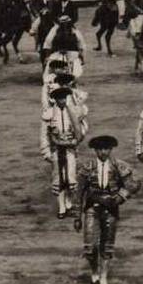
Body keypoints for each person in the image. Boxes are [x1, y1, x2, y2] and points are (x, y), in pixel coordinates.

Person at [75, 135, 140, 284]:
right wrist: (77, 216)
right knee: (90, 246)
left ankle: (103, 277)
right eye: (100, 149)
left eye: (106, 149)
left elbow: (133, 184)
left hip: (110, 209)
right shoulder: (87, 167)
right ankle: (94, 274)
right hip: (92, 208)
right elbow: (78, 192)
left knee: (107, 245)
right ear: (95, 150)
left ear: (110, 150)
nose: (103, 152)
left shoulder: (118, 166)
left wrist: (119, 197)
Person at [40, 86, 85, 219]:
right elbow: (44, 135)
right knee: (58, 178)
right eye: (60, 98)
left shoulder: (73, 112)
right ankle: (61, 207)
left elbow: (80, 131)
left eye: (64, 98)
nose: (62, 101)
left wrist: (76, 142)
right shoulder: (49, 114)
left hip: (70, 149)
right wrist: (45, 151)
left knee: (70, 177)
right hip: (56, 150)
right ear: (55, 99)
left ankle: (69, 204)